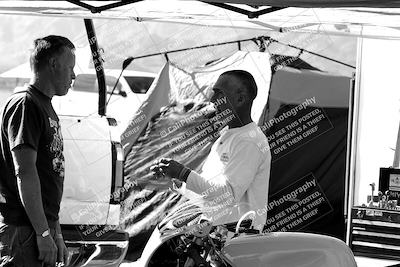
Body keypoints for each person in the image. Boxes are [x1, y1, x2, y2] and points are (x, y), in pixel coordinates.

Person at [151, 70, 271, 230]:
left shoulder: (249, 141)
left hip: (237, 237)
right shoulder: (228, 135)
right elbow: (210, 194)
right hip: (215, 233)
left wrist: (183, 173)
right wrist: (180, 182)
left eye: (219, 94)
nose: (212, 100)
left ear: (240, 99)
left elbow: (227, 196)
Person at [0, 35, 75, 266]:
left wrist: (56, 232)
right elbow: (25, 172)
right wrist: (43, 233)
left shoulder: (45, 105)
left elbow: (49, 176)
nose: (73, 76)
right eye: (70, 67)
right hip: (23, 230)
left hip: (40, 228)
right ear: (53, 64)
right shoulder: (26, 104)